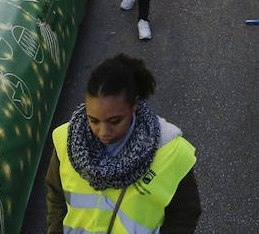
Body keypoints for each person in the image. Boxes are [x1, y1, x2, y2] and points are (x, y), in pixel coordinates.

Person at [44, 55, 200, 233]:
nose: (104, 132)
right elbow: (56, 197)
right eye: (93, 120)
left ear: (134, 104)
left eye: (114, 121)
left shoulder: (170, 152)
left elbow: (185, 213)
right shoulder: (66, 140)